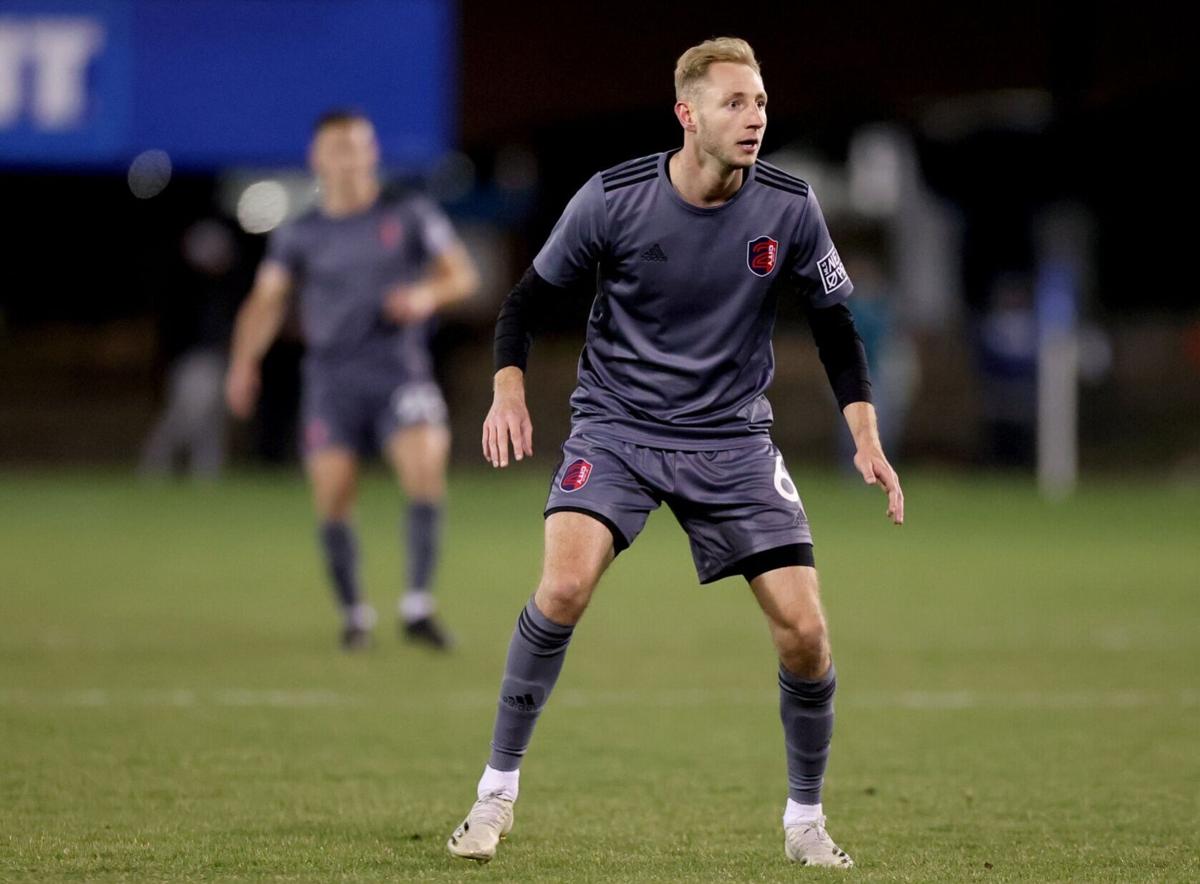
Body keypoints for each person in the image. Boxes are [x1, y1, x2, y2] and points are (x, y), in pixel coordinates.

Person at [446, 38, 903, 868]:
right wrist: (508, 390)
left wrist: (865, 434)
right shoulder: (612, 199)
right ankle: (493, 797)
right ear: (687, 116)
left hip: (731, 438)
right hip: (618, 429)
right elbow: (525, 303)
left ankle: (805, 820)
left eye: (760, 101)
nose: (754, 117)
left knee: (805, 632)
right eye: (734, 103)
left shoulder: (790, 207)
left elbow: (836, 328)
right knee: (564, 585)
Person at [225, 110, 479, 650]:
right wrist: (244, 361)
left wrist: (425, 295)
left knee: (425, 469)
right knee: (335, 495)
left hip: (398, 370)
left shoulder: (408, 213)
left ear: (372, 152)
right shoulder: (301, 232)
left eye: (357, 146)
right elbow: (266, 302)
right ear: (318, 158)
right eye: (336, 147)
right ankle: (355, 615)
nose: (348, 157)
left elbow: (461, 275)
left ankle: (416, 605)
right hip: (331, 379)